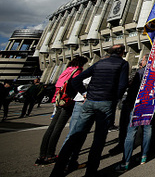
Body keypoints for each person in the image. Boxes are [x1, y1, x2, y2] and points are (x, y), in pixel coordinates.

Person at [50, 44, 129, 177]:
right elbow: (122, 85)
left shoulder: (99, 63)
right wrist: (114, 99)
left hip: (90, 102)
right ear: (121, 52)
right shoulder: (122, 64)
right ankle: (91, 172)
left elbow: (75, 81)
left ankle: (57, 171)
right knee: (98, 139)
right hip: (105, 103)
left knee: (75, 135)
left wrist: (85, 93)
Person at [35, 56, 88, 166]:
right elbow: (75, 83)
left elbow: (58, 85)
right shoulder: (77, 71)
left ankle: (42, 155)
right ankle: (50, 155)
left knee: (51, 127)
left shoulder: (67, 70)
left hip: (58, 99)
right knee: (58, 128)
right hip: (67, 101)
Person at [115, 55, 155, 172]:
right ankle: (144, 156)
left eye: (142, 59)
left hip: (137, 104)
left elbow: (133, 89)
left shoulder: (140, 72)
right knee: (148, 129)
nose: (140, 61)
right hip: (150, 104)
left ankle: (126, 161)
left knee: (131, 131)